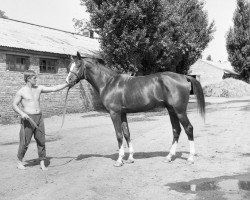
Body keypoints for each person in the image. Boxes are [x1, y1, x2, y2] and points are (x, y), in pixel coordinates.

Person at [12, 70, 69, 170]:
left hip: (39, 118)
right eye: (34, 78)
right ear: (28, 78)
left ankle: (42, 162)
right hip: (28, 119)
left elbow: (54, 88)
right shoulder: (21, 91)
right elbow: (14, 105)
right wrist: (22, 113)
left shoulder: (39, 88)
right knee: (25, 142)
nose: (36, 79)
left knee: (41, 141)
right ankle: (19, 161)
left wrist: (67, 84)